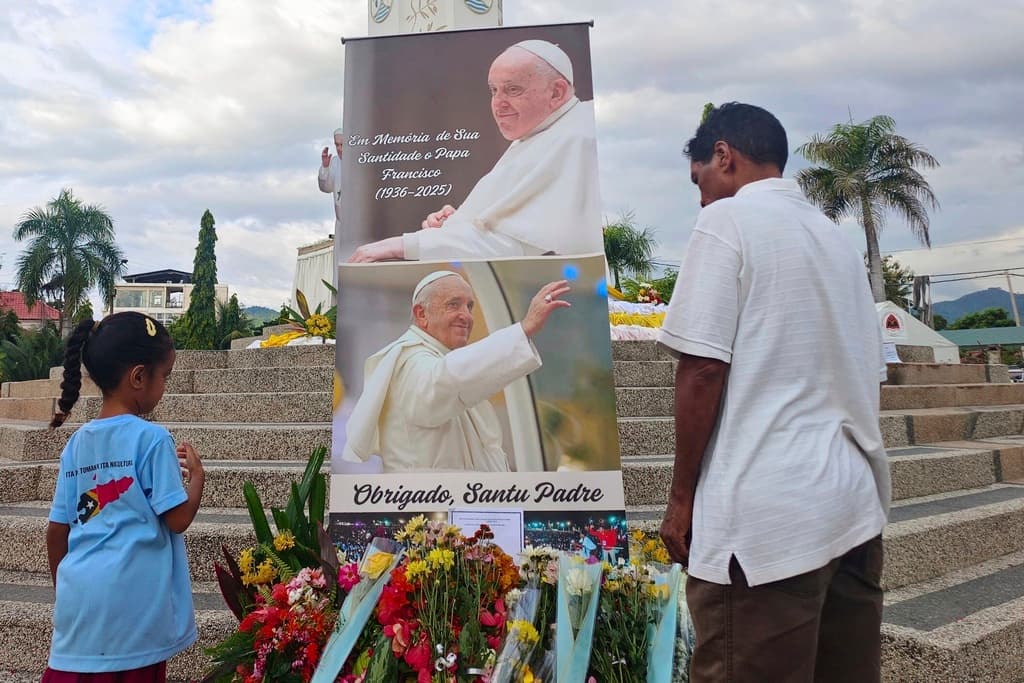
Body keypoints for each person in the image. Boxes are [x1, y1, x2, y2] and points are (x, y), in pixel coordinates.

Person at [657, 103, 890, 683]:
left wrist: (681, 498)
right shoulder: (834, 241)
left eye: (699, 181)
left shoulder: (727, 222)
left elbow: (702, 370)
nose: (702, 198)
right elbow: (870, 370)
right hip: (851, 509)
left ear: (723, 156)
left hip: (767, 529)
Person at [44, 312, 204, 682]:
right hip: (134, 611)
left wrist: (67, 592)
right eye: (163, 376)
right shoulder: (152, 439)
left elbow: (57, 532)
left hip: (80, 603)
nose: (164, 385)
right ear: (138, 377)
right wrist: (196, 478)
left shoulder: (77, 442)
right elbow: (177, 519)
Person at [347, 40, 602, 262]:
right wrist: (457, 224)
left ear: (556, 92)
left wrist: (404, 245)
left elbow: (514, 246)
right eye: (494, 91)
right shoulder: (538, 133)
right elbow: (506, 225)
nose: (498, 104)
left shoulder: (576, 139)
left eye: (513, 90)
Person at [343, 271, 570, 471]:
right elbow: (441, 381)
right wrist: (523, 329)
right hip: (427, 508)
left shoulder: (440, 358)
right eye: (453, 304)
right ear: (421, 314)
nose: (467, 316)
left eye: (469, 306)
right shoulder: (410, 359)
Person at [319, 128, 344, 235]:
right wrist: (325, 167)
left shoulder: (362, 159)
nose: (339, 149)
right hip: (341, 223)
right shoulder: (334, 162)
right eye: (337, 145)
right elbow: (326, 188)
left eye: (342, 145)